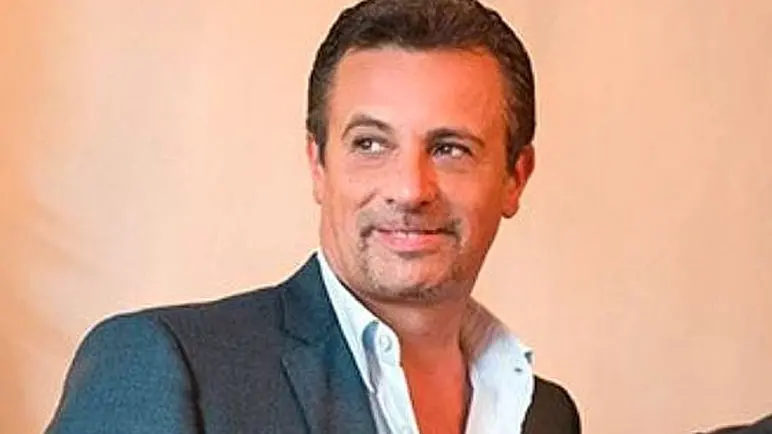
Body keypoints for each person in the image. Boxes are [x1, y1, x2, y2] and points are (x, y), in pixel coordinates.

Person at [46, 0, 581, 433]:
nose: (409, 190)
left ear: (515, 177)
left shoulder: (545, 415)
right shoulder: (166, 365)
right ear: (318, 166)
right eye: (370, 143)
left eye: (449, 149)